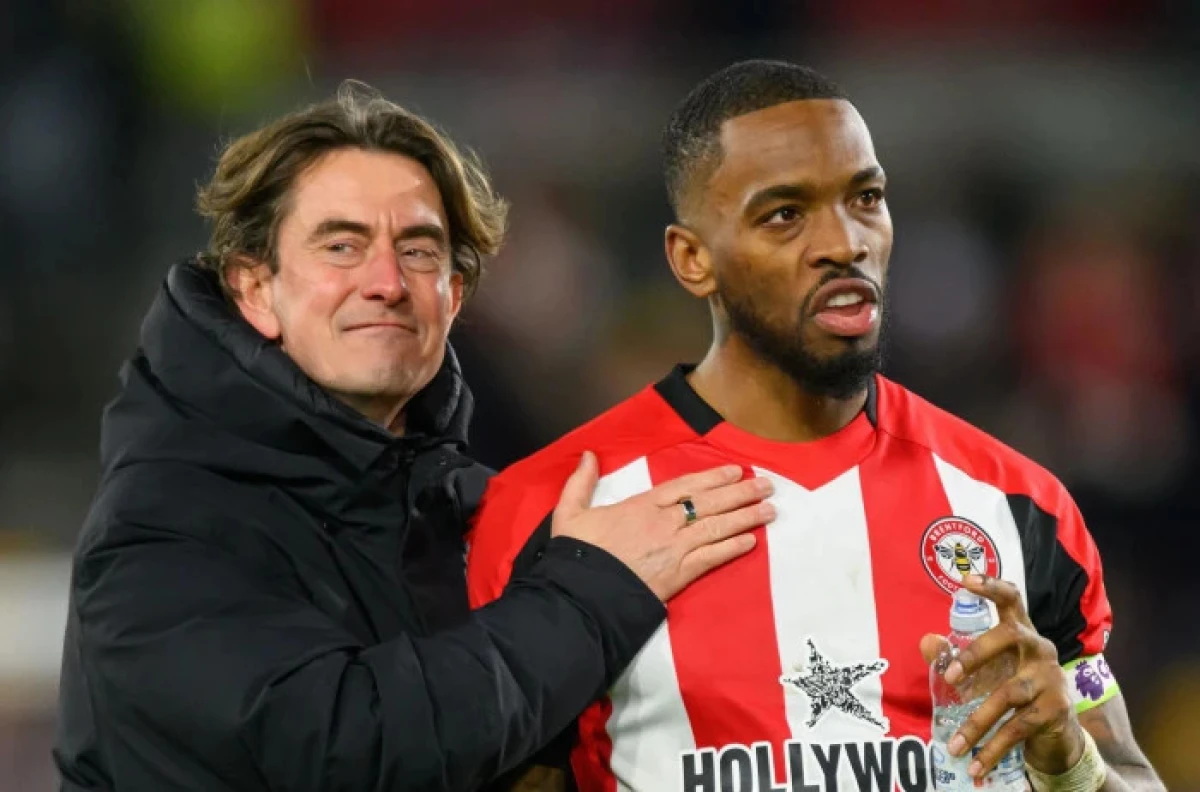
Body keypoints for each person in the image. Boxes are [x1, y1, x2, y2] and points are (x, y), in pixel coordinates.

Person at [52, 83, 777, 792]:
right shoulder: (164, 522)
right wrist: (592, 596)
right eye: (341, 245)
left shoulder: (466, 507)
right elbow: (344, 748)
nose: (387, 281)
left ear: (454, 297)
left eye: (421, 251)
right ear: (254, 289)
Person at [466, 61, 1165, 791]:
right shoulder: (550, 510)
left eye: (866, 198)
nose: (845, 242)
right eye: (785, 214)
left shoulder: (1019, 507)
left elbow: (1125, 776)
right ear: (692, 259)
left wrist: (1071, 762)